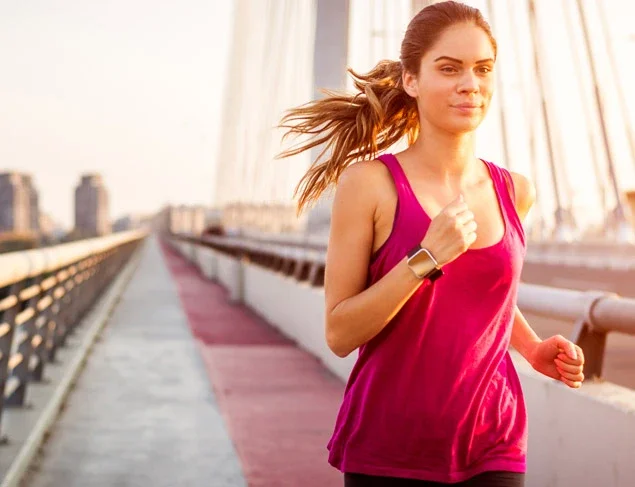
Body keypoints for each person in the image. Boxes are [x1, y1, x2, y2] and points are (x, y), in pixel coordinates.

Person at [278, 1, 585, 485]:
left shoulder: (515, 191)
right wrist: (425, 258)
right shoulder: (370, 184)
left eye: (483, 69)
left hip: (494, 440)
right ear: (411, 80)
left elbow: (480, 295)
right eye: (449, 68)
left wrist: (530, 346)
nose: (471, 84)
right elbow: (340, 333)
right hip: (389, 446)